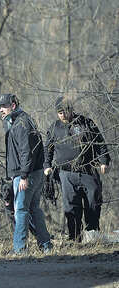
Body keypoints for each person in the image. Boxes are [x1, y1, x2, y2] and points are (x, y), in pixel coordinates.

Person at [43, 96, 110, 242]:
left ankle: (92, 234)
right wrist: (47, 166)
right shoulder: (54, 128)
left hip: (88, 170)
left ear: (71, 109)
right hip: (66, 174)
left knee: (93, 202)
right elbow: (47, 149)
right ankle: (75, 237)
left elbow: (100, 143)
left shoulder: (86, 123)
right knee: (71, 206)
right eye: (59, 113)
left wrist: (104, 161)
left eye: (65, 111)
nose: (62, 115)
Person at [0, 94, 53, 255]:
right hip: (33, 172)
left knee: (20, 211)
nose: (0, 110)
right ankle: (46, 246)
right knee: (34, 210)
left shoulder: (21, 123)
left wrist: (24, 175)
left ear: (13, 106)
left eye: (3, 106)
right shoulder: (18, 121)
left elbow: (27, 152)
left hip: (26, 174)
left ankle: (19, 249)